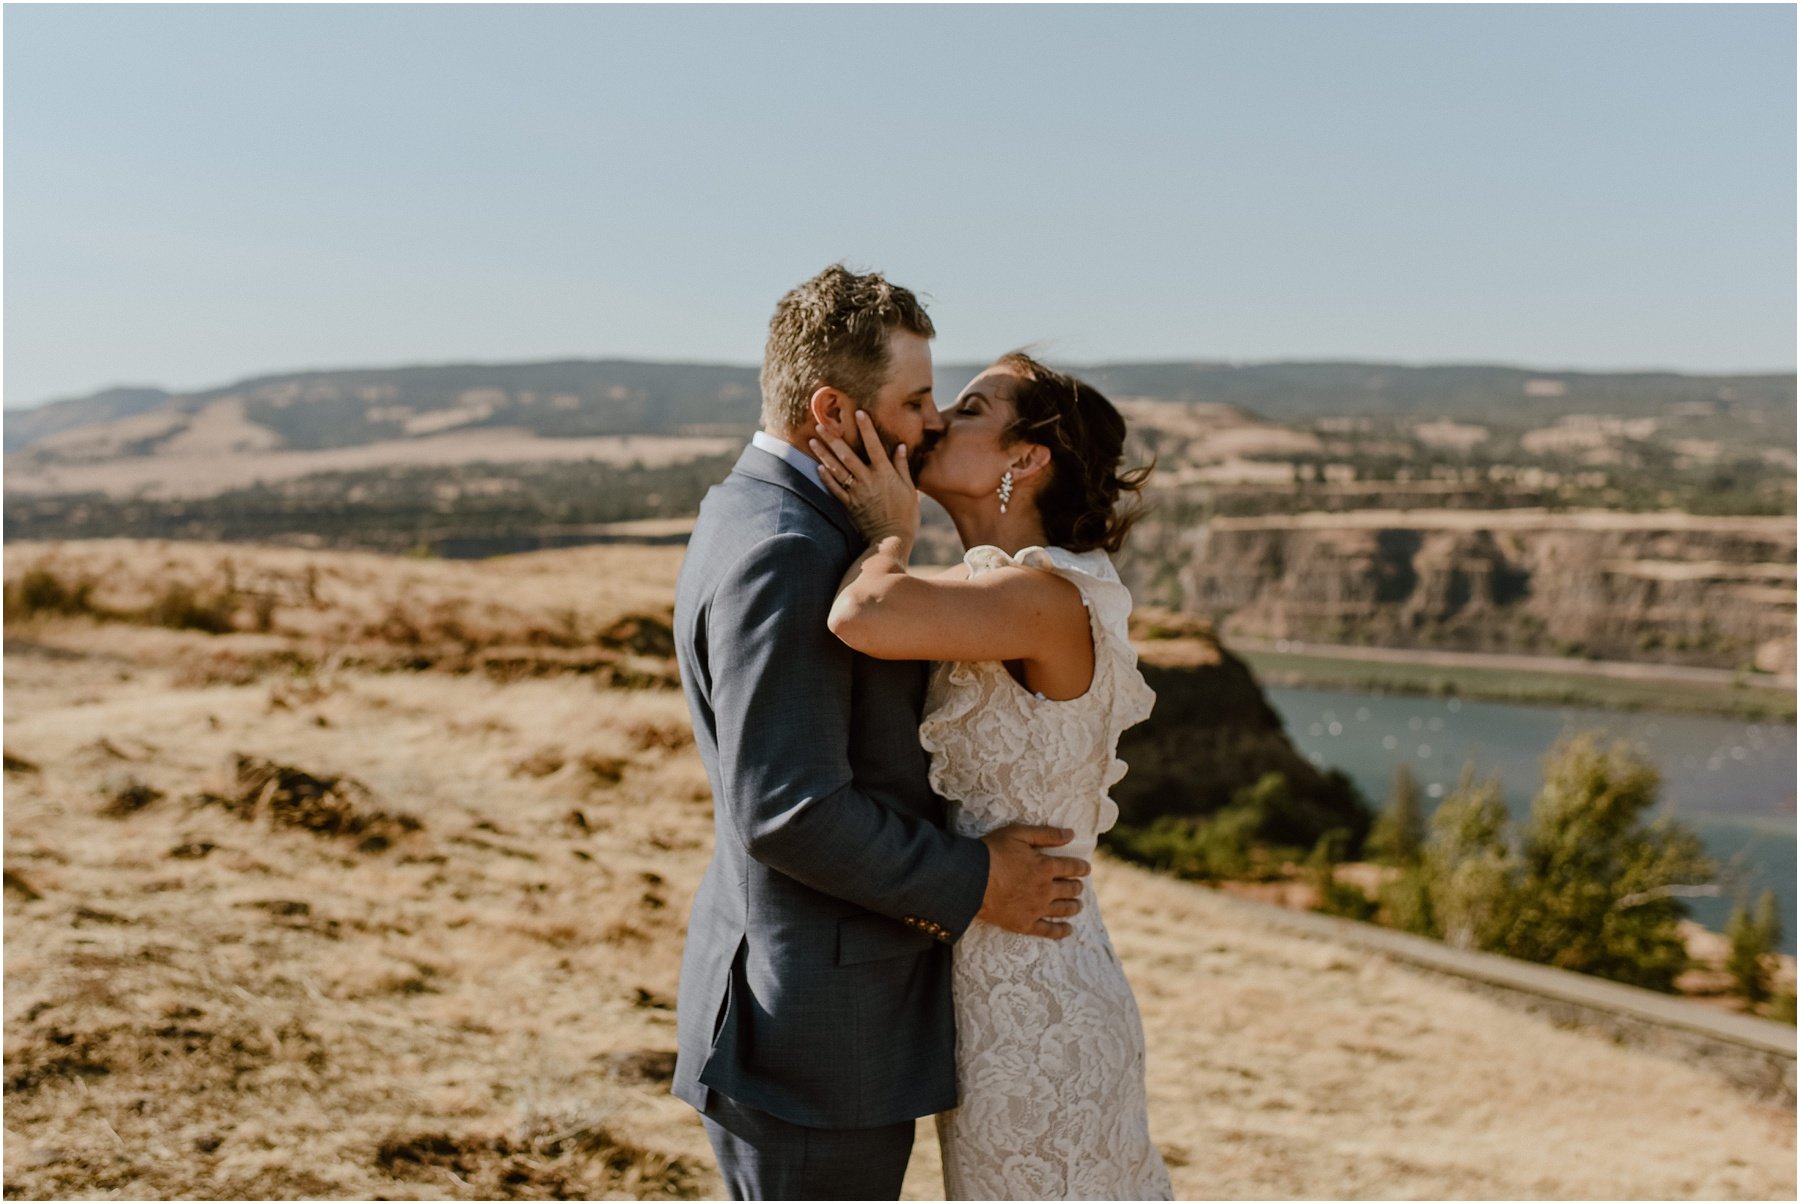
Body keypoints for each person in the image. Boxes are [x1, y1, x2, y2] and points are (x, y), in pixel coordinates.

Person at [670, 266, 1090, 1201]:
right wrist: (980, 879)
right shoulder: (793, 549)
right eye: (915, 401)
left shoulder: (766, 512)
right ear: (831, 407)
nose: (933, 423)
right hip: (816, 1042)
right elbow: (789, 809)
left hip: (808, 1014)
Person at [812, 351, 1173, 1199]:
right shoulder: (993, 592)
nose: (937, 420)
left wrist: (888, 527)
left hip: (1039, 1003)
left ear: (1026, 457)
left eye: (970, 408)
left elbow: (863, 613)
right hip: (991, 984)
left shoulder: (1046, 597)